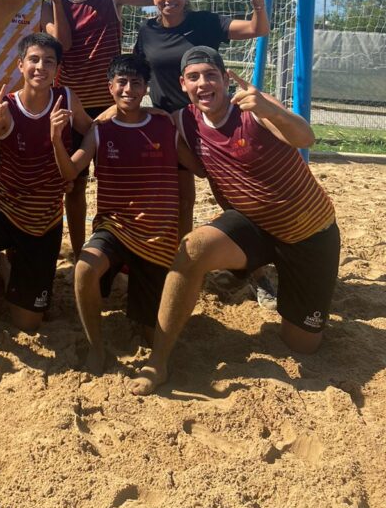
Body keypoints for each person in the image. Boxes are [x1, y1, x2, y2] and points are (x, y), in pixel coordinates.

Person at [128, 46, 339, 397]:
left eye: (210, 75)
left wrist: (272, 109)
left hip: (309, 233)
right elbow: (138, 117)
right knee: (192, 248)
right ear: (183, 84)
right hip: (252, 225)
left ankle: (259, 275)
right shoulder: (184, 120)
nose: (203, 83)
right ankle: (158, 362)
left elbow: (306, 137)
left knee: (302, 345)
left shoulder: (254, 109)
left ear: (226, 79)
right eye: (194, 77)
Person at [51, 53, 202, 376]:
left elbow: (201, 168)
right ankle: (96, 347)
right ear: (110, 87)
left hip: (158, 237)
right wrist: (55, 138)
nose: (129, 89)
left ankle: (141, 304)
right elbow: (71, 169)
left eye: (136, 83)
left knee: (151, 335)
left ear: (146, 88)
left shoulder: (165, 126)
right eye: (122, 82)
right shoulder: (100, 129)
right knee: (83, 270)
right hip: (114, 227)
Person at [0, 33, 93, 360]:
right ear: (20, 65)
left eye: (49, 61)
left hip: (45, 220)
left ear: (57, 68)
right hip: (5, 209)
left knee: (28, 324)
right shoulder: (5, 107)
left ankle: (8, 266)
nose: (41, 66)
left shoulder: (67, 98)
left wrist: (80, 157)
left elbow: (92, 129)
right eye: (34, 59)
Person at [134, 0, 269, 242]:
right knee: (183, 198)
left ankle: (253, 260)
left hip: (209, 121)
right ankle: (182, 255)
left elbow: (259, 28)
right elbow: (139, 72)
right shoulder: (147, 31)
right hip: (171, 125)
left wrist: (257, 2)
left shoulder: (206, 22)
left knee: (227, 192)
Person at [57, 0, 154, 257]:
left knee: (117, 184)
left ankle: (118, 247)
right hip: (71, 105)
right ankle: (77, 251)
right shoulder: (54, 3)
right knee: (74, 185)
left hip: (111, 106)